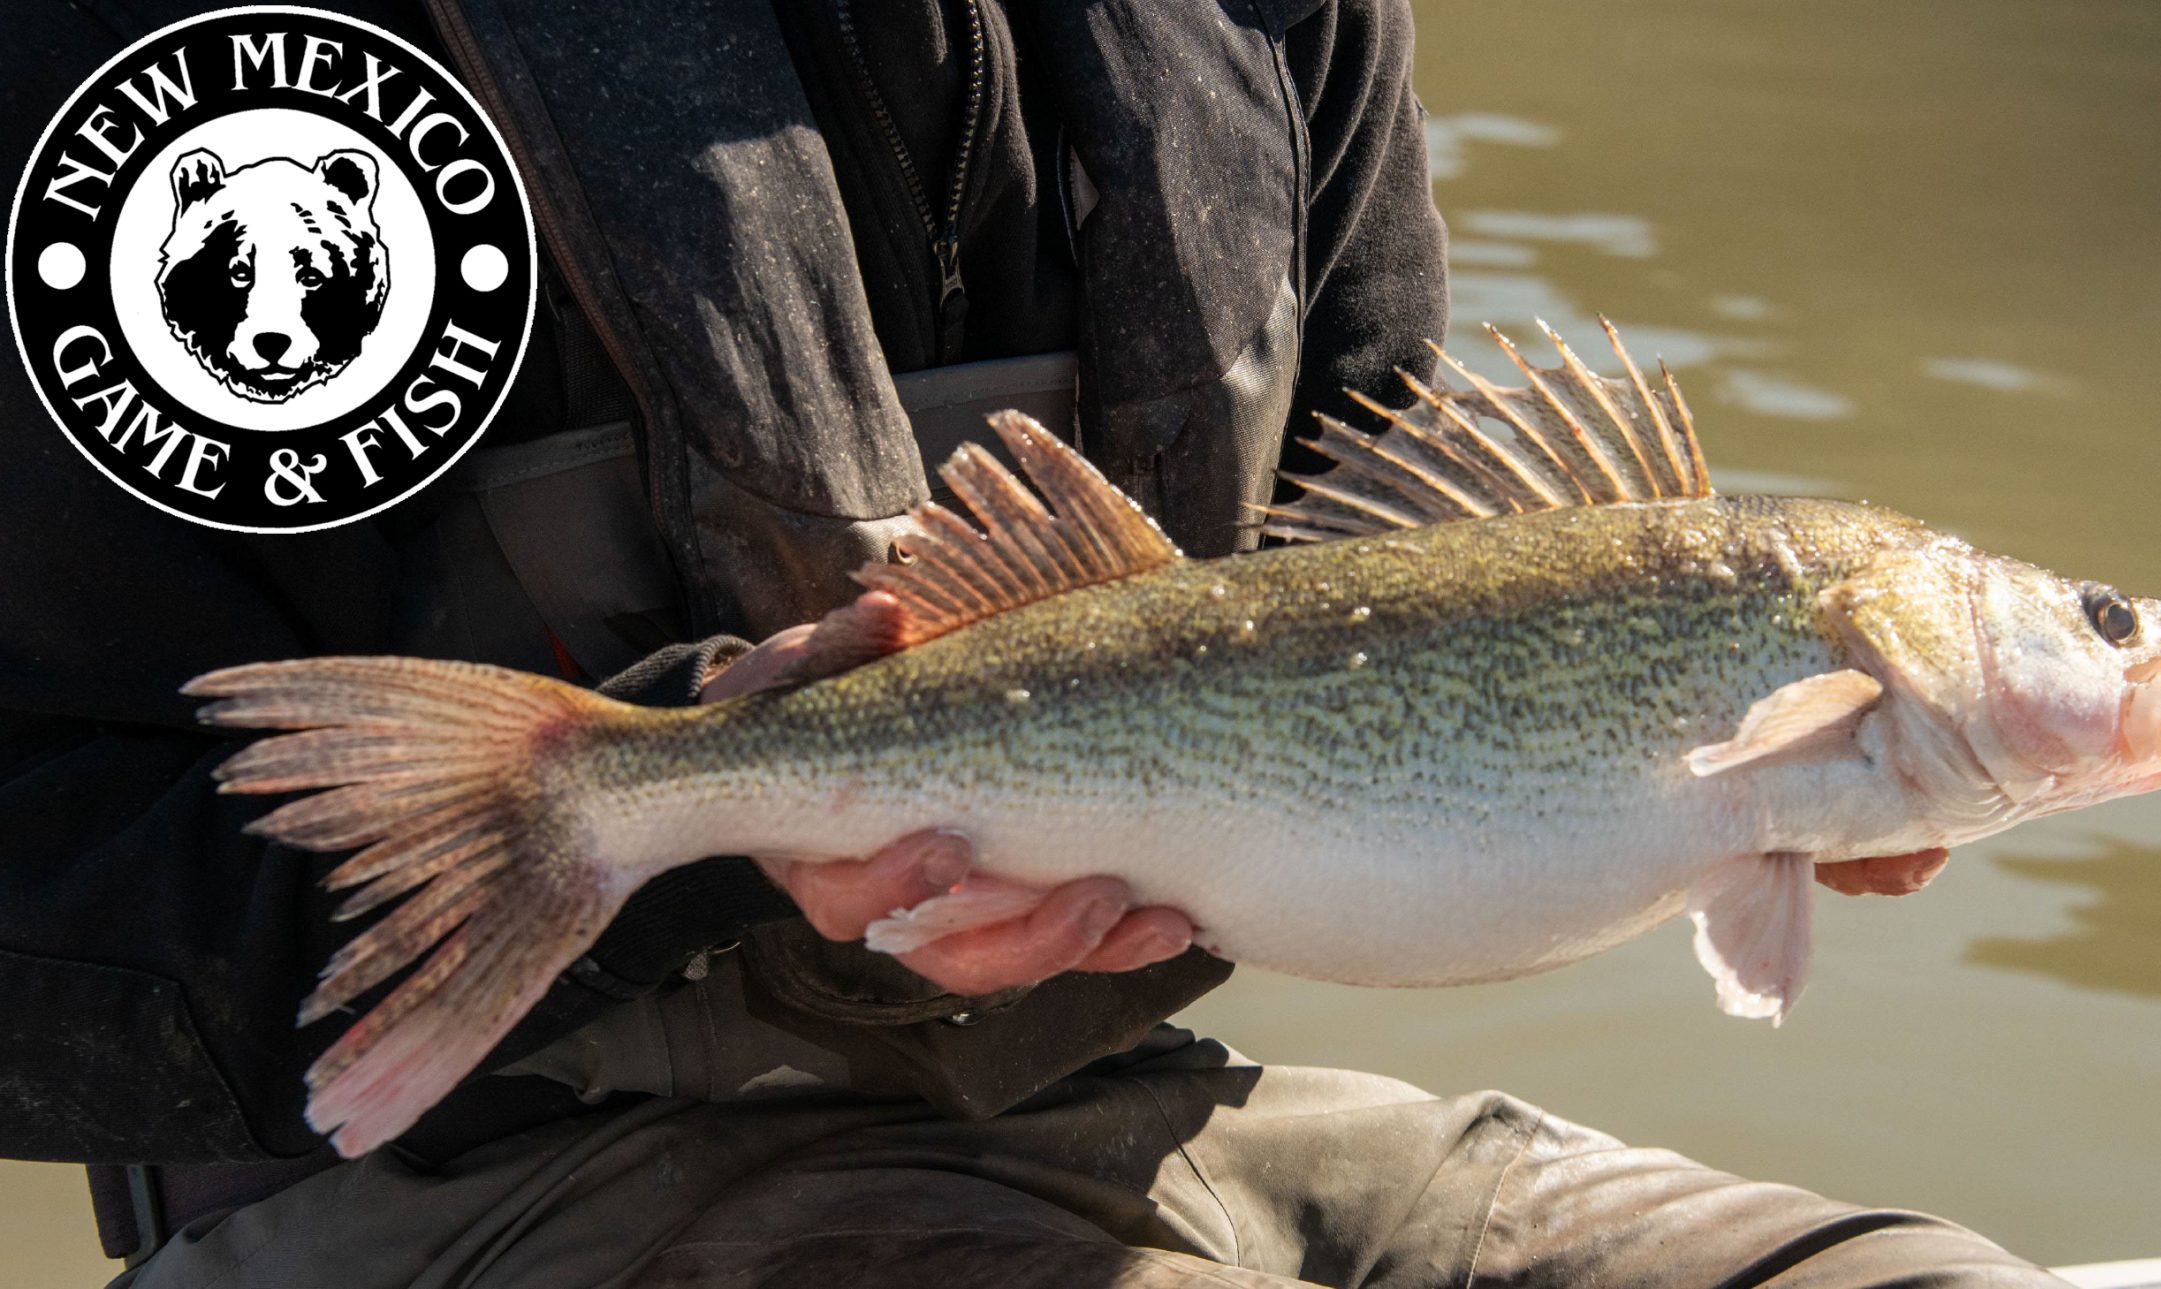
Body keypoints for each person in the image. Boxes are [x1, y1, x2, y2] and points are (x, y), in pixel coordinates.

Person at [0, 1, 2054, 1284]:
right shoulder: (151, 89)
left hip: (1112, 1116)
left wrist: (1729, 793)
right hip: (449, 1201)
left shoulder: (1271, 26)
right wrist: (702, 817)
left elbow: (1391, 612)